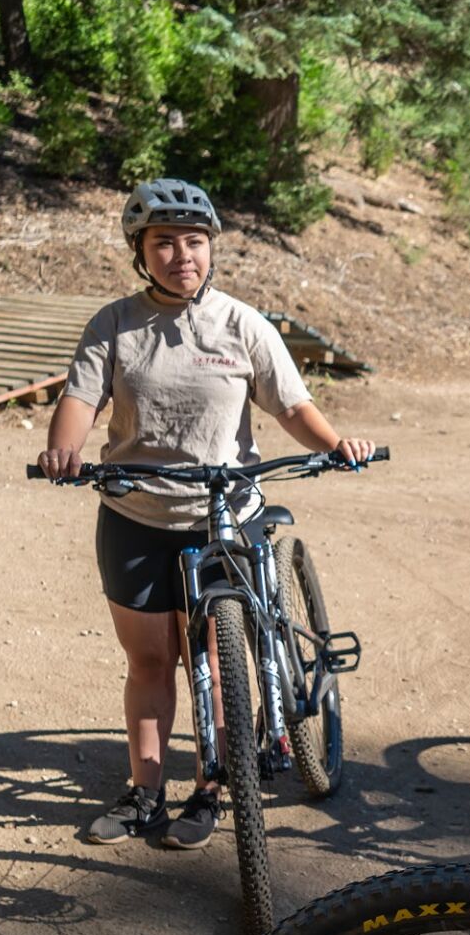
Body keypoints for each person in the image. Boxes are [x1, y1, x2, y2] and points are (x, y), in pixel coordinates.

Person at [38, 178, 374, 849]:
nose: (181, 255)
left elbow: (291, 406)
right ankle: (144, 794)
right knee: (150, 661)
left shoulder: (242, 324)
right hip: (135, 513)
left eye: (194, 241)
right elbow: (80, 399)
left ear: (211, 248)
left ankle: (211, 789)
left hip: (224, 513)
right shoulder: (115, 324)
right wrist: (63, 449)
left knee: (217, 663)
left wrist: (336, 443)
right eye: (163, 242)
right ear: (141, 252)